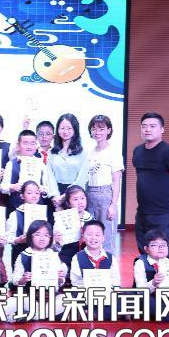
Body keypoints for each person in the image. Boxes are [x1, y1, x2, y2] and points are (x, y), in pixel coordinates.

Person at [132, 112, 169, 258]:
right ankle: (149, 275)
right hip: (142, 212)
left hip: (165, 213)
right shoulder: (137, 151)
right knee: (145, 252)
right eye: (144, 126)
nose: (147, 129)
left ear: (162, 129)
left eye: (152, 126)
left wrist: (168, 196)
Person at [83, 114, 124, 255]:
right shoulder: (90, 152)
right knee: (90, 234)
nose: (97, 132)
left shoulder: (114, 152)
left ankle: (108, 265)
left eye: (101, 129)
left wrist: (113, 204)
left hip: (105, 195)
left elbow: (116, 181)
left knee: (106, 235)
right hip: (89, 194)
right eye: (94, 129)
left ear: (109, 130)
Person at [10, 220, 67, 320]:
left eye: (46, 235)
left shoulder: (52, 255)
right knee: (18, 300)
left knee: (64, 299)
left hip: (50, 297)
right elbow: (15, 280)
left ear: (50, 238)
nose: (42, 238)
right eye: (37, 234)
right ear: (30, 236)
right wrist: (23, 279)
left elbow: (60, 283)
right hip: (30, 296)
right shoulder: (24, 255)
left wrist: (60, 278)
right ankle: (41, 315)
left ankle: (34, 315)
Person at [69, 220, 120, 320]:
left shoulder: (111, 258)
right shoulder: (77, 257)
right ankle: (100, 313)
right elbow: (76, 282)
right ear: (83, 237)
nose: (93, 238)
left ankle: (91, 313)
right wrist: (89, 289)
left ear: (103, 238)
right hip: (85, 295)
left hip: (105, 295)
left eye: (97, 235)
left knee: (123, 297)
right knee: (72, 297)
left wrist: (104, 286)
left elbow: (116, 281)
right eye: (89, 234)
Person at [1, 130, 59, 213]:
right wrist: (12, 187)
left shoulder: (41, 163)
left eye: (32, 143)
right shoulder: (11, 164)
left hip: (37, 205)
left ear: (36, 145)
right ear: (18, 145)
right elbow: (3, 187)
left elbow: (46, 187)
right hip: (16, 204)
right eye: (25, 143)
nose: (29, 146)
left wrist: (42, 189)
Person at [48, 114, 88, 206]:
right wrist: (56, 197)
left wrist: (64, 197)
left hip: (76, 196)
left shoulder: (83, 153)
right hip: (56, 196)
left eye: (69, 128)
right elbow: (50, 177)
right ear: (58, 130)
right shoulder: (52, 152)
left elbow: (82, 178)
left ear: (75, 130)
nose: (65, 131)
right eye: (62, 128)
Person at [5, 180, 45, 267]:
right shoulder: (15, 214)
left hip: (41, 254)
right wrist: (17, 240)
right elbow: (7, 237)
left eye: (37, 193)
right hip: (21, 251)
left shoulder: (43, 213)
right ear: (22, 196)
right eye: (29, 193)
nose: (34, 195)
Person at [54, 185, 94, 268]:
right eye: (75, 199)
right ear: (68, 203)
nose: (80, 202)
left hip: (85, 256)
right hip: (66, 255)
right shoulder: (62, 218)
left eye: (82, 198)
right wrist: (57, 240)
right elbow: (57, 245)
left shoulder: (90, 218)